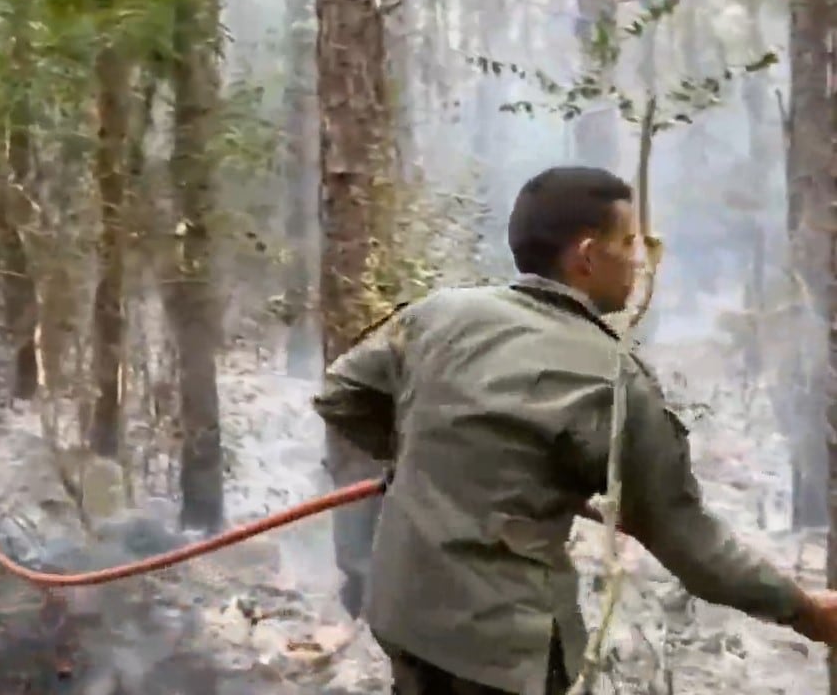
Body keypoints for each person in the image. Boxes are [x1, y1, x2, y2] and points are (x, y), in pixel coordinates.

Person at [312, 166, 837, 695]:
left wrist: (422, 456)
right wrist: (804, 611)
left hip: (404, 612)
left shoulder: (439, 314)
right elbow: (689, 541)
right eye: (630, 241)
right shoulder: (613, 379)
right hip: (502, 650)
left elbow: (341, 395)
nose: (640, 259)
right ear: (587, 256)